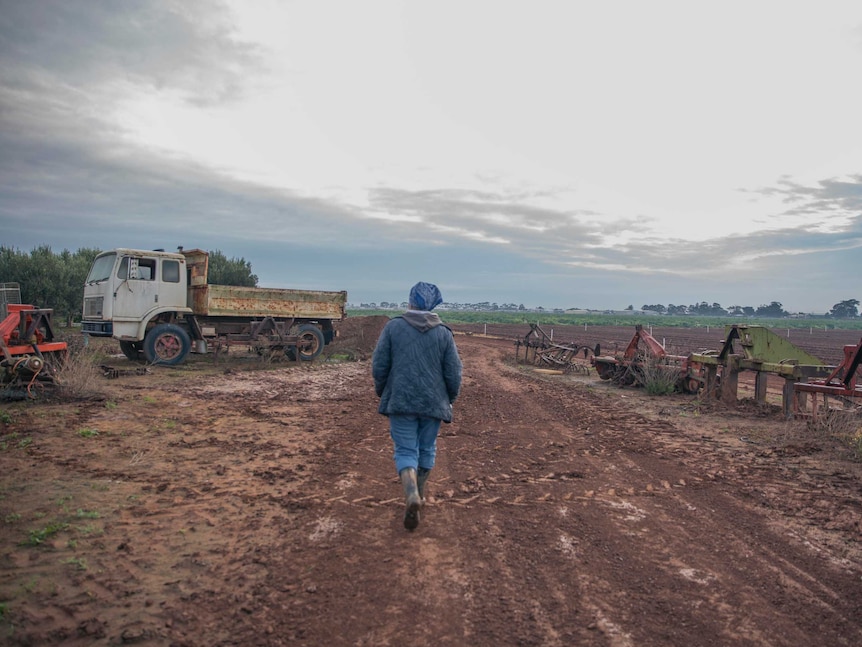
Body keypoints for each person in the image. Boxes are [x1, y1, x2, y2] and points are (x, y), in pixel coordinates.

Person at [372, 281, 463, 530]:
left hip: (401, 401)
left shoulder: (393, 327)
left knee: (405, 450)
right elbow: (454, 373)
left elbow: (379, 365)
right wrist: (449, 399)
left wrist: (383, 391)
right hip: (433, 403)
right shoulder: (444, 333)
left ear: (411, 301)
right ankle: (419, 495)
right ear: (434, 304)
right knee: (426, 449)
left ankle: (410, 493)